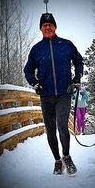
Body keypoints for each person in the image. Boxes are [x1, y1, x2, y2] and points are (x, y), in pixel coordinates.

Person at [24, 12, 84, 175]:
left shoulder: (66, 45)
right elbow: (28, 70)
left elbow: (79, 61)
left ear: (55, 27)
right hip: (46, 95)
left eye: (50, 25)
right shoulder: (36, 49)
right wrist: (34, 83)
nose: (48, 27)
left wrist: (77, 77)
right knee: (50, 129)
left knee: (63, 126)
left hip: (64, 93)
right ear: (41, 29)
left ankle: (66, 156)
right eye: (44, 26)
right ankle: (57, 160)